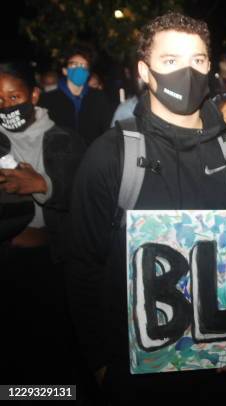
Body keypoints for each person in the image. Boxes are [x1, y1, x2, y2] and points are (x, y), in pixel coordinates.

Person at [65, 12, 226, 404]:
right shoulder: (109, 155)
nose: (187, 72)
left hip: (217, 369)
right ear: (145, 70)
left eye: (199, 61)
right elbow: (83, 265)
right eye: (170, 61)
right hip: (136, 374)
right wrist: (101, 362)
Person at [0, 60, 84, 384]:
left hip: (51, 269)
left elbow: (84, 199)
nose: (7, 106)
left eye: (14, 97)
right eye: (0, 101)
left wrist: (42, 185)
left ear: (34, 95)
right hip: (6, 267)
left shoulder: (66, 141)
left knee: (51, 361)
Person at [39, 44, 112, 147]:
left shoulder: (98, 98)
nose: (79, 69)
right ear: (65, 70)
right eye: (74, 65)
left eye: (84, 66)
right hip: (59, 160)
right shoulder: (48, 100)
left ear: (88, 73)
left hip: (92, 158)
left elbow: (107, 131)